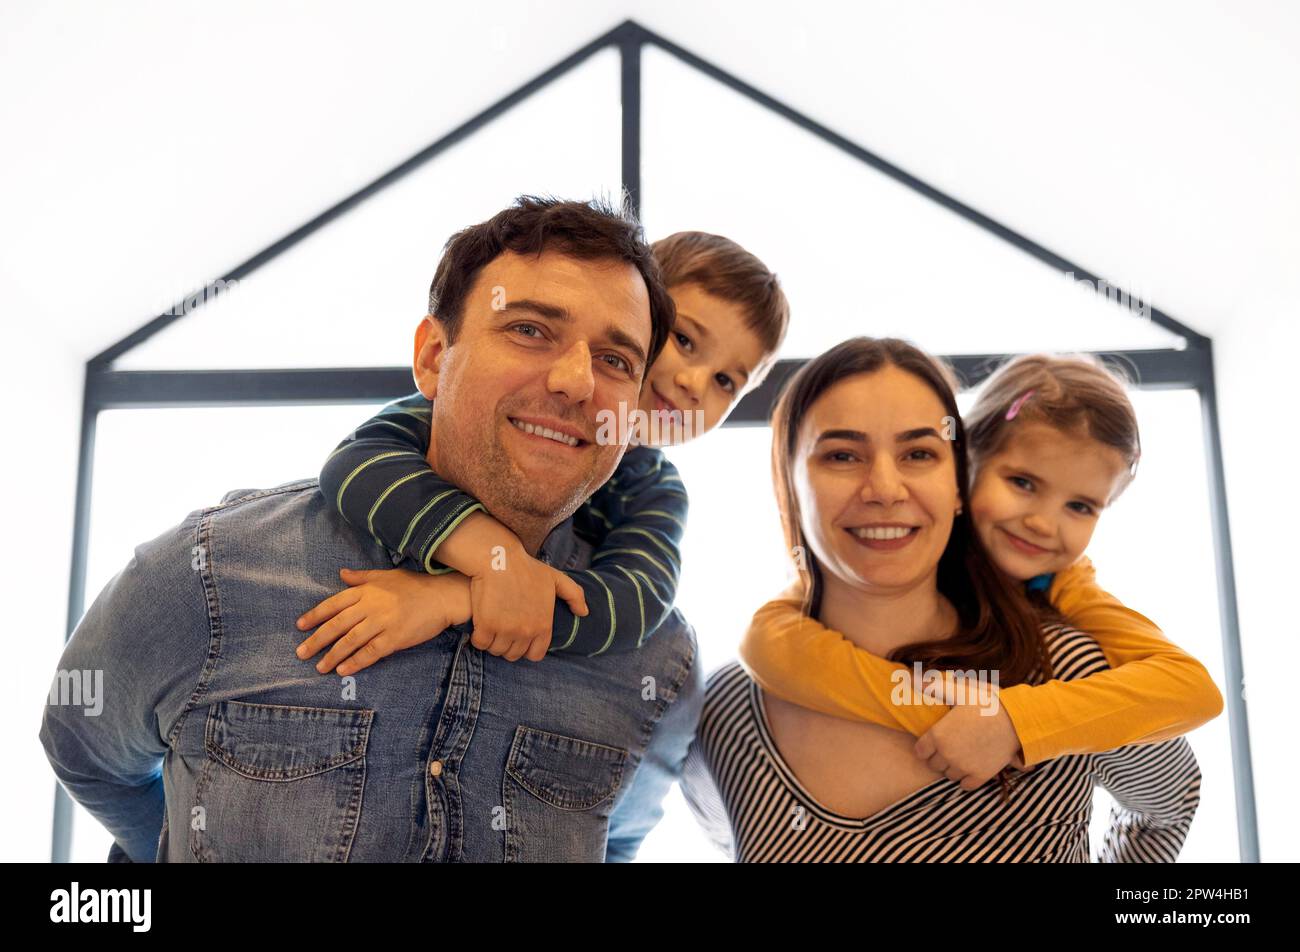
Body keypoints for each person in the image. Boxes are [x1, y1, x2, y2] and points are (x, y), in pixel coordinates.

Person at [41, 195, 704, 863]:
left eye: (617, 360)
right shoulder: (209, 571)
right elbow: (85, 752)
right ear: (434, 358)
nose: (575, 381)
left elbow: (615, 842)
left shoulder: (658, 662)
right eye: (530, 329)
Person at [680, 337, 1202, 862]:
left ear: (957, 481)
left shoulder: (1072, 672)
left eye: (918, 453)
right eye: (842, 454)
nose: (884, 488)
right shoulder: (723, 712)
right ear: (787, 484)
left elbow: (1171, 801)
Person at [300, 231, 789, 674]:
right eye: (684, 340)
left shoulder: (654, 489)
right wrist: (495, 556)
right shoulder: (468, 405)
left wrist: (461, 595)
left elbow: (637, 599)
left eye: (727, 381)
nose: (694, 382)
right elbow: (357, 463)